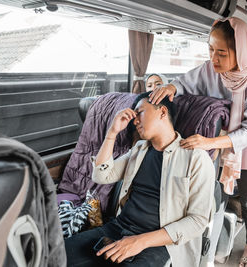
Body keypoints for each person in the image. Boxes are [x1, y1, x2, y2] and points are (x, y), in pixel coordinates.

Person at [150, 17, 247, 267]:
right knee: (217, 199)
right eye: (210, 49)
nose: (213, 58)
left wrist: (209, 142)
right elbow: (186, 81)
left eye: (221, 52)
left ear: (240, 52)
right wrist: (171, 88)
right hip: (216, 147)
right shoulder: (210, 69)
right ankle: (210, 252)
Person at [65, 91, 215, 267]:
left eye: (140, 112)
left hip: (160, 244)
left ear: (162, 112)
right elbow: (101, 175)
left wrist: (140, 241)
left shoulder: (196, 158)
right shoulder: (139, 150)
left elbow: (197, 220)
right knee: (52, 254)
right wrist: (112, 133)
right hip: (117, 229)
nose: (135, 121)